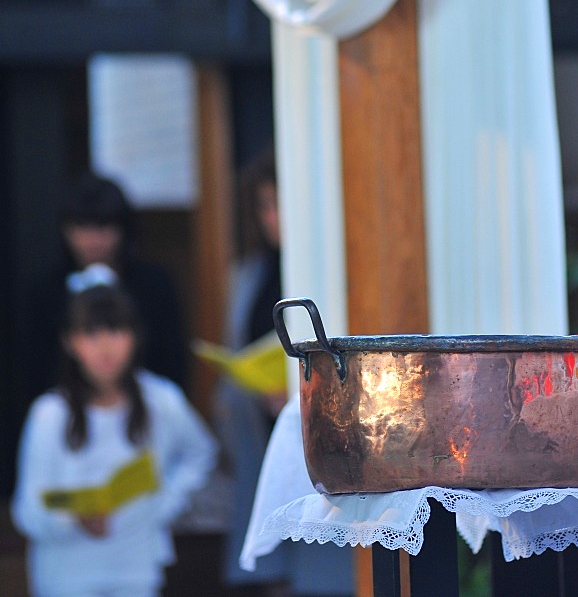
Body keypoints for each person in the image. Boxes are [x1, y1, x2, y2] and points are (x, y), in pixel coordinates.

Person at [12, 264, 217, 597]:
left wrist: (166, 502)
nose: (106, 346)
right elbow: (27, 511)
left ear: (135, 336)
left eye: (117, 331)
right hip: (66, 574)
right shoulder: (49, 414)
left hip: (136, 567)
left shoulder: (160, 399)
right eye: (91, 334)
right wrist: (71, 520)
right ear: (70, 342)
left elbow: (200, 453)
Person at [217, 146, 353, 597]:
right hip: (263, 425)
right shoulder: (251, 275)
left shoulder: (336, 271)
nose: (276, 217)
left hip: (325, 429)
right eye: (266, 206)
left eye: (284, 203)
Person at [28, 171, 189, 401]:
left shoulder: (154, 285)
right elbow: (36, 370)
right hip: (71, 412)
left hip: (143, 410)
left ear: (122, 229)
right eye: (82, 226)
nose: (93, 240)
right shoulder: (46, 292)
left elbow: (172, 361)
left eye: (103, 226)